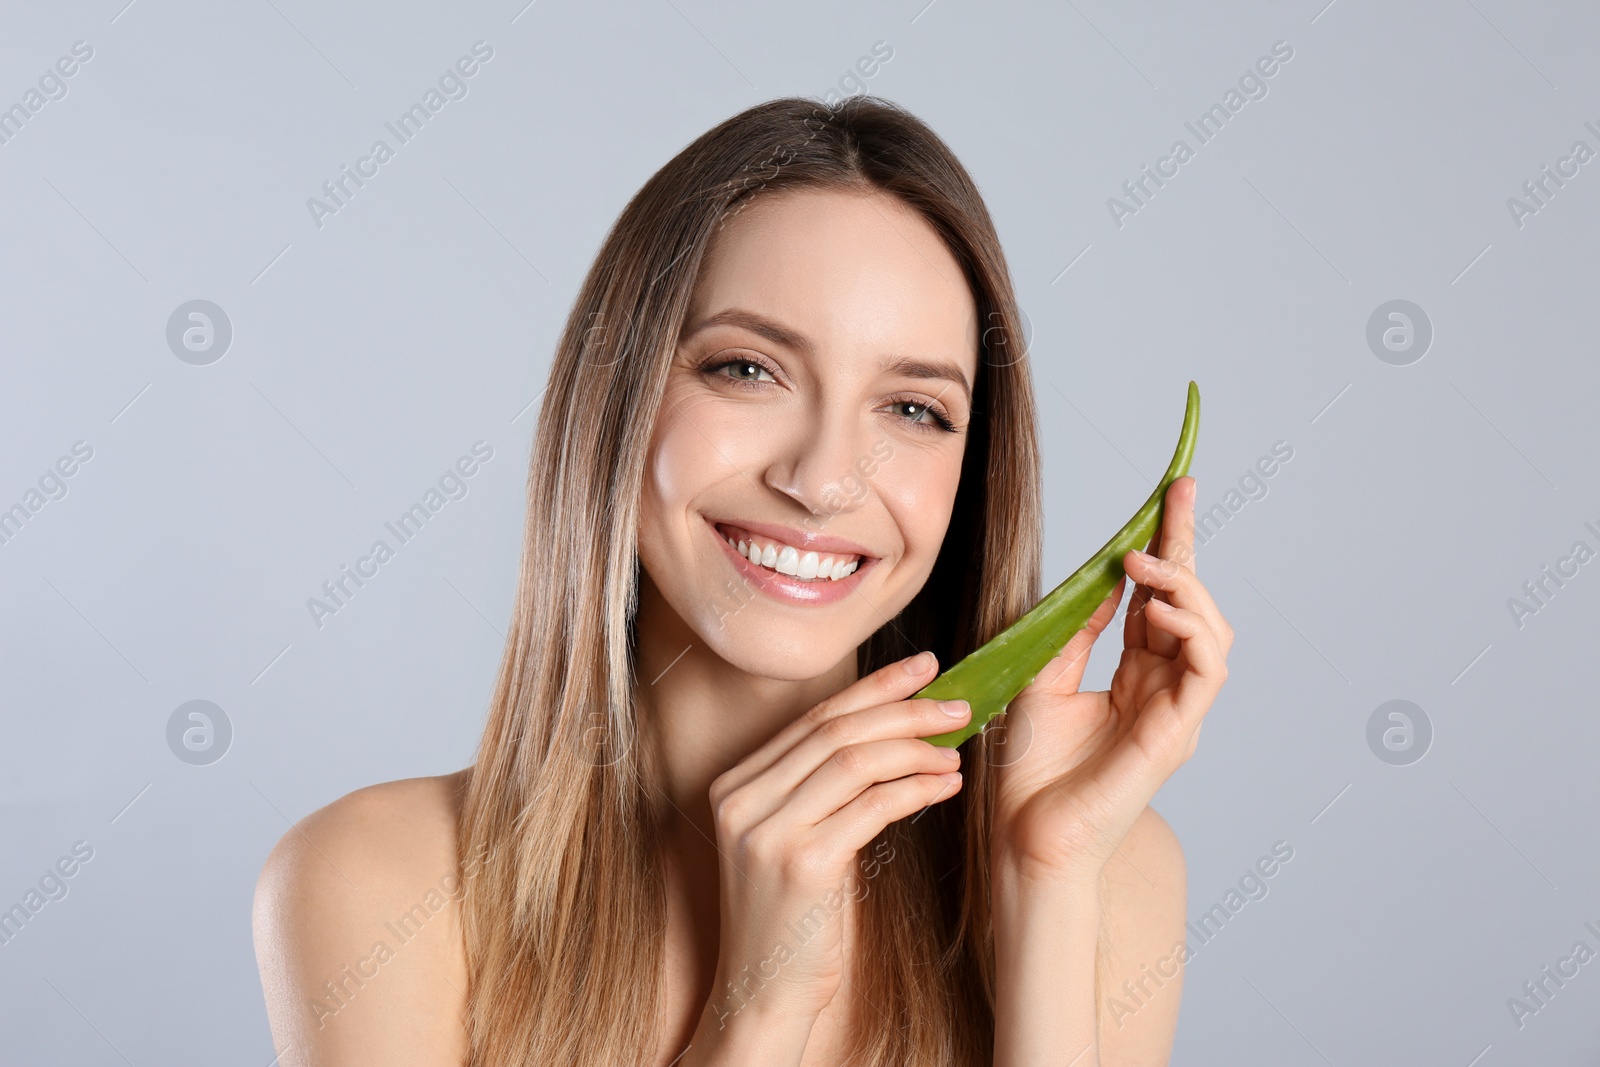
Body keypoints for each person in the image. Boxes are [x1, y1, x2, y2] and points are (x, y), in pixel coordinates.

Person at [253, 95, 1232, 1067]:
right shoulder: (381, 883)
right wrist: (757, 1009)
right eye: (747, 369)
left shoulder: (1105, 867)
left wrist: (1045, 878)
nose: (819, 480)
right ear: (618, 400)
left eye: (912, 407)